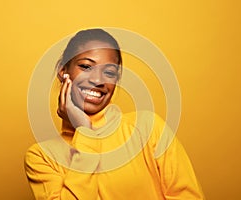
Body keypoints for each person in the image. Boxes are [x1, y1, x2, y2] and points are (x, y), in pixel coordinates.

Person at [24, 28, 205, 200]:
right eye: (86, 67)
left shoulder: (147, 128)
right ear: (63, 73)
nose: (97, 80)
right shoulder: (41, 157)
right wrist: (85, 132)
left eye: (109, 72)